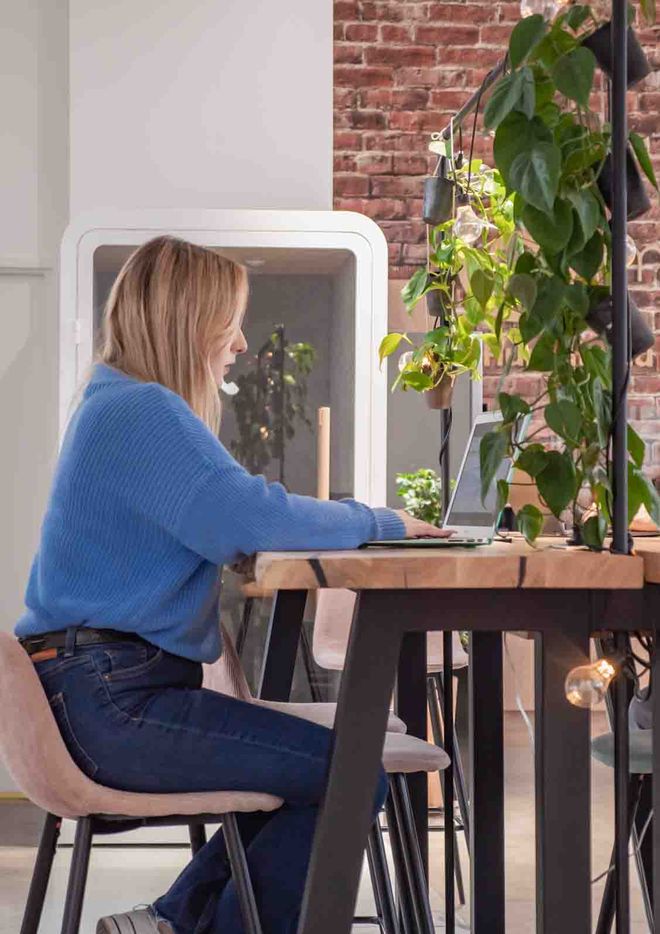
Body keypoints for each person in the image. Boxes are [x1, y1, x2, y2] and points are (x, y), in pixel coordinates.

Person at [16, 236, 451, 934]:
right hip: (112, 701)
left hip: (97, 690)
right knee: (347, 776)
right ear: (189, 321)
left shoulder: (117, 404)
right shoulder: (141, 412)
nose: (243, 343)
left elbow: (227, 514)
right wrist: (382, 519)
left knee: (321, 770)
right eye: (231, 320)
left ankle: (170, 922)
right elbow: (248, 514)